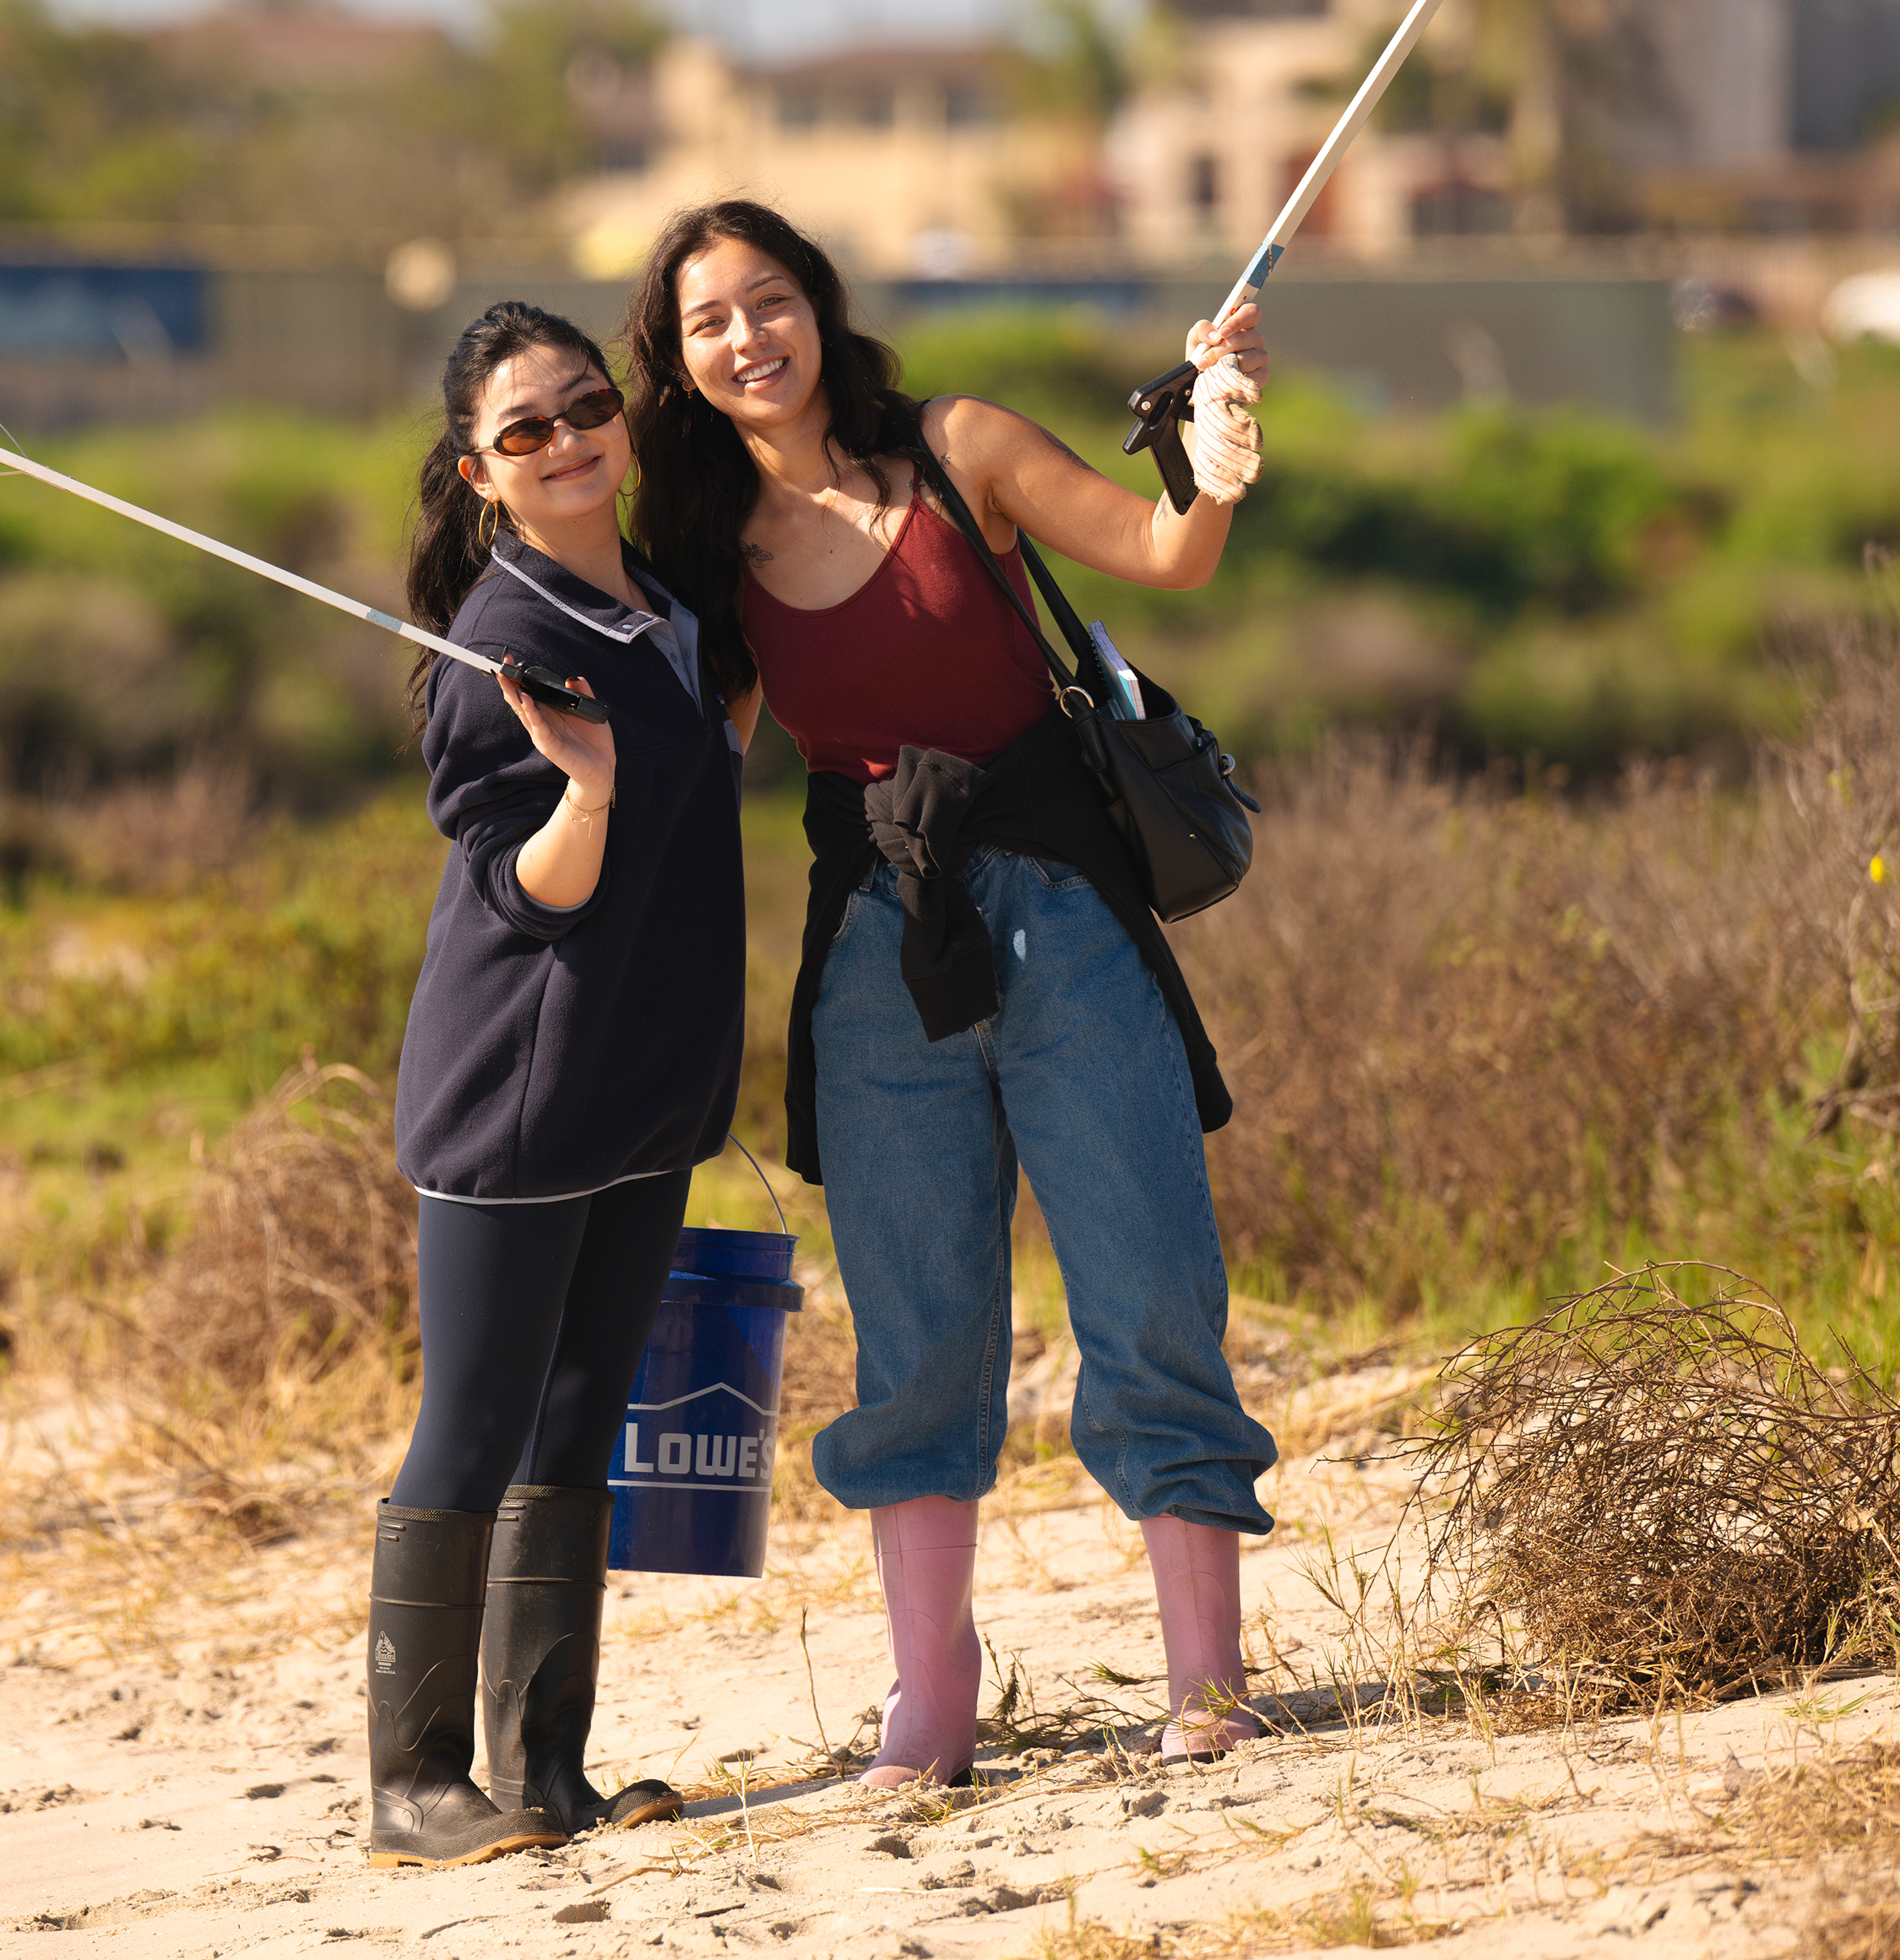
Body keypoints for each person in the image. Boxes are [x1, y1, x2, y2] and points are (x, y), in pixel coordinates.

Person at [620, 198, 1276, 1784]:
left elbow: (1169, 553)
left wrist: (1212, 441)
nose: (746, 339)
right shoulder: (702, 546)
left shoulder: (961, 444)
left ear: (818, 307)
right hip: (874, 952)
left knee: (1148, 1287)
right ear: (684, 360)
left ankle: (1208, 1678)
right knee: (914, 1333)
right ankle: (932, 1701)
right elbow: (681, 750)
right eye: (710, 321)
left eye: (767, 302)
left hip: (1064, 913)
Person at [362, 301, 743, 1868]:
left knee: (582, 1421)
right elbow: (536, 892)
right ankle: (410, 1786)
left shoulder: (662, 604)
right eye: (526, 431)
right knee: (473, 1425)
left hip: (643, 1080)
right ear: (478, 471)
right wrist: (584, 789)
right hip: (517, 1090)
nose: (568, 440)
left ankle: (546, 1769)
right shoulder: (494, 652)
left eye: (587, 408)